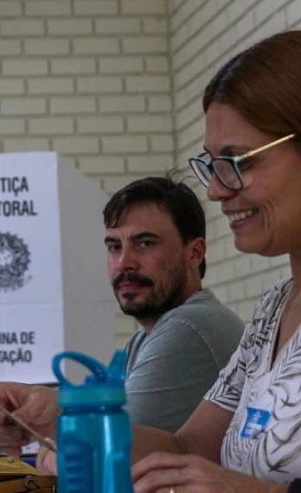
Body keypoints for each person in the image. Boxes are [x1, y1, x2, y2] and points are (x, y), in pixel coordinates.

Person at [0, 29, 301, 492]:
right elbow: (187, 449)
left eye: (238, 161)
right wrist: (60, 420)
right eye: (210, 165)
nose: (215, 190)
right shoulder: (275, 309)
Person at [103, 176, 244, 433]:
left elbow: (105, 449)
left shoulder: (188, 327)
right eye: (114, 246)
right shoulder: (143, 339)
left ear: (195, 253)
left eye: (145, 243)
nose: (124, 263)